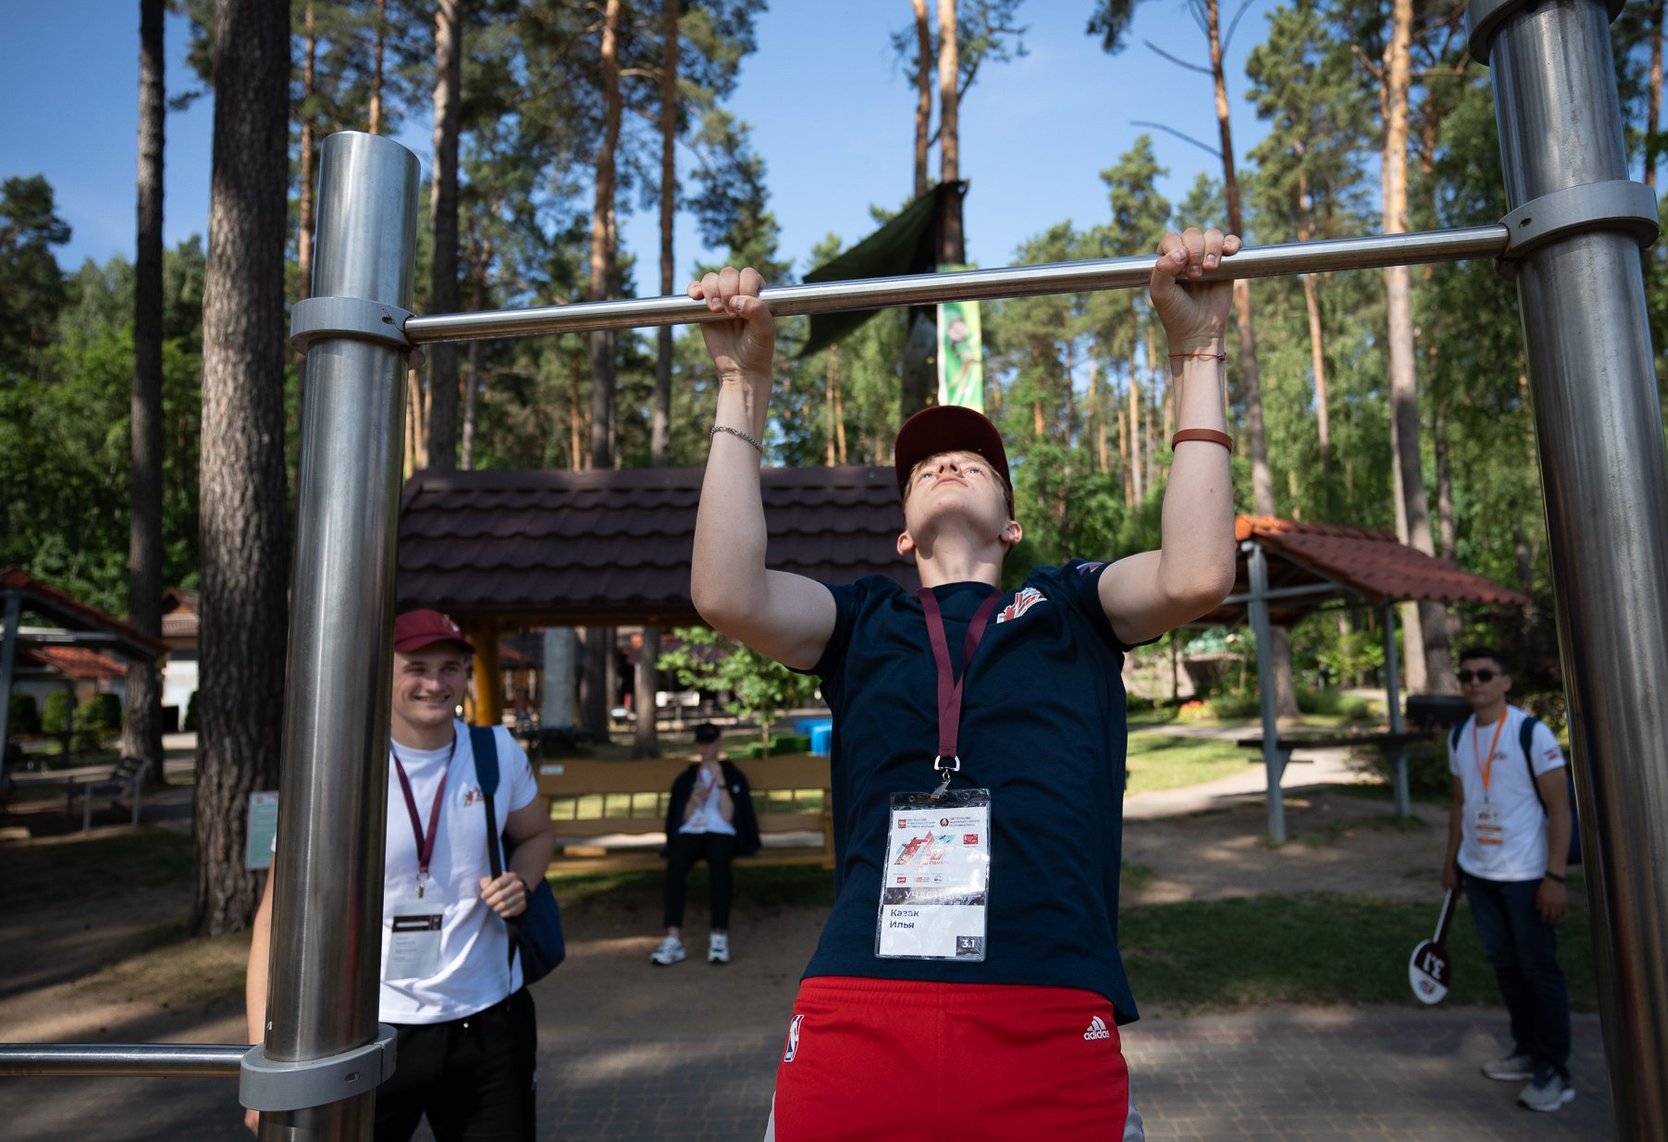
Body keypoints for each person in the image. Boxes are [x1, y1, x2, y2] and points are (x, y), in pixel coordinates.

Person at [686, 229, 1240, 1140]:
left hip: (1049, 1006)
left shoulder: (1071, 608)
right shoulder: (863, 622)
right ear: (903, 535)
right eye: (922, 470)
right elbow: (726, 591)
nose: (945, 463)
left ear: (1011, 523)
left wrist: (1197, 351)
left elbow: (1196, 573)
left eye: (974, 462)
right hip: (859, 1006)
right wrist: (742, 387)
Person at [244, 609, 555, 1140]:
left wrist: (521, 881)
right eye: (417, 667)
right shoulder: (337, 767)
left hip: (488, 1021)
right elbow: (275, 923)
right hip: (365, 1029)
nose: (435, 684)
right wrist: (263, 1064)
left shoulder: (496, 751)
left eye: (450, 668)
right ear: (382, 673)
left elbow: (536, 835)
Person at [1442, 646, 1576, 1113]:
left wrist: (1554, 876)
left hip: (1525, 875)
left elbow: (1560, 808)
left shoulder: (1530, 734)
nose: (1474, 682)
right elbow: (1461, 804)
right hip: (1479, 873)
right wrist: (1452, 862)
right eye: (1466, 675)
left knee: (1539, 971)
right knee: (1506, 968)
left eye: (1484, 674)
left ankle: (1554, 1069)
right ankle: (1525, 1050)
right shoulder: (1459, 736)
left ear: (1506, 682)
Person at [651, 721, 762, 966]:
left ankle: (719, 935)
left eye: (709, 742)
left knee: (720, 865)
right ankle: (673, 938)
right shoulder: (688, 778)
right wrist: (691, 801)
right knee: (675, 864)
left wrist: (720, 781)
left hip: (721, 831)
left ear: (718, 744)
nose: (705, 748)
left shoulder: (732, 774)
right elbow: (678, 818)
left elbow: (730, 816)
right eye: (701, 743)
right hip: (693, 830)